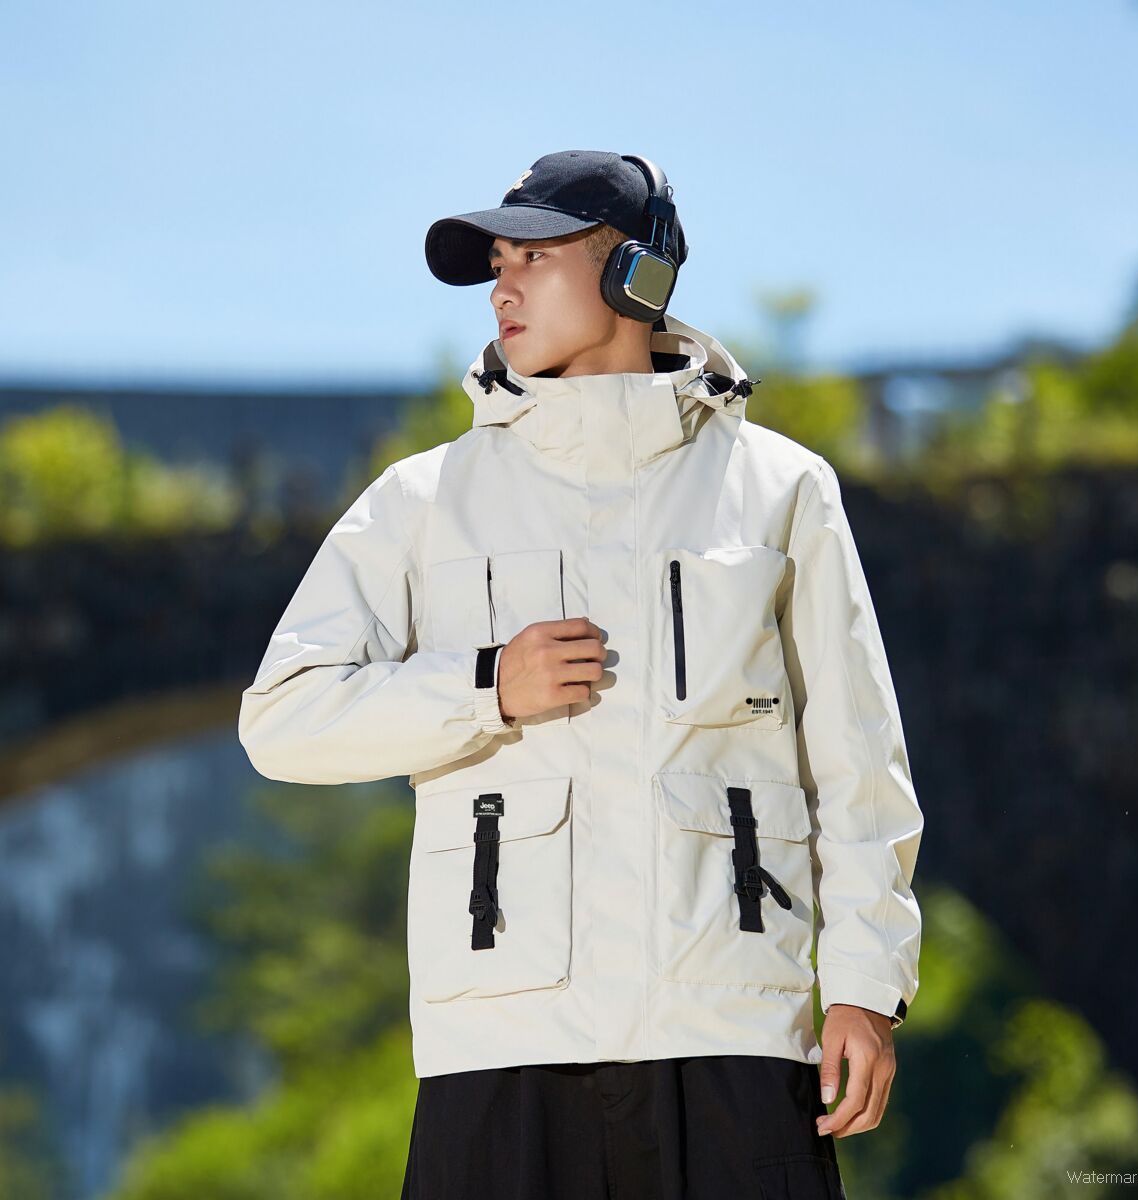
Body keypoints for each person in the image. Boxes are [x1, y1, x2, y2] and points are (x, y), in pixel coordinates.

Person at [238, 149, 924, 1199]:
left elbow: (858, 756)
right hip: (501, 1043)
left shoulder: (783, 489)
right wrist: (483, 688)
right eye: (496, 264)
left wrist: (866, 986)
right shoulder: (423, 501)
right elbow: (281, 719)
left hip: (733, 1028)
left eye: (536, 257)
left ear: (635, 274)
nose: (502, 288)